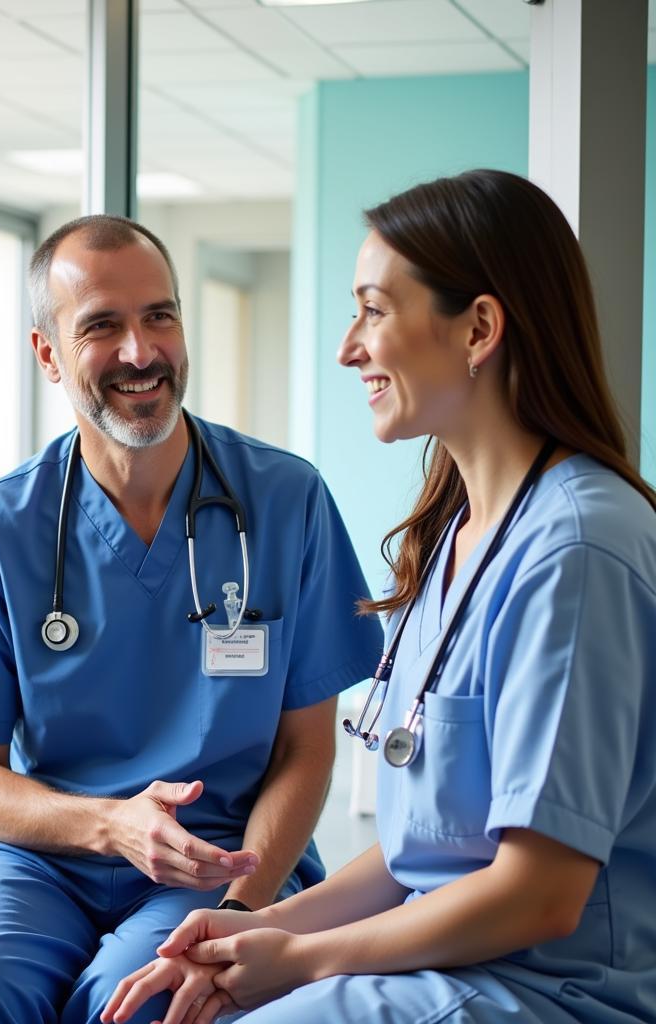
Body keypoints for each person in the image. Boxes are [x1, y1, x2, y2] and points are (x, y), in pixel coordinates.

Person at [102, 167, 656, 1024]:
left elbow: (541, 895)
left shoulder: (575, 550)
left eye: (373, 310)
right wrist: (254, 927)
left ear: (478, 329)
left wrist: (304, 959)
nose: (347, 347)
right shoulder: (461, 534)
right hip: (449, 961)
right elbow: (414, 854)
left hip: (547, 990)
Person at [0, 213, 383, 1023]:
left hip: (220, 854)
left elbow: (306, 746)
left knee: (142, 1004)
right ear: (48, 354)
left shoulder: (285, 500)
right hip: (36, 859)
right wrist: (107, 825)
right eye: (102, 326)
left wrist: (244, 900)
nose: (140, 351)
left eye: (160, 315)